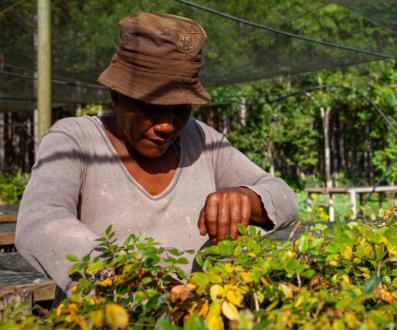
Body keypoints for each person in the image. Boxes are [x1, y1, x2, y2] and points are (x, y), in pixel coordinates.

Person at [15, 12, 298, 294]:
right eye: (151, 105)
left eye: (180, 109)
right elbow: (41, 223)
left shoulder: (201, 141)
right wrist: (127, 280)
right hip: (98, 329)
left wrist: (248, 199)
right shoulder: (74, 139)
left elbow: (284, 198)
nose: (166, 124)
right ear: (116, 94)